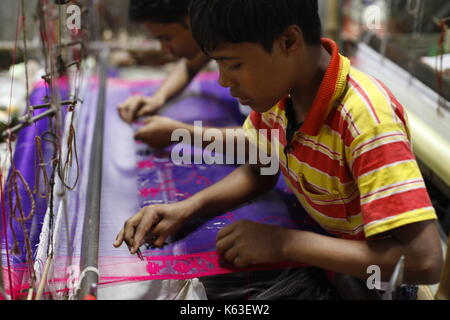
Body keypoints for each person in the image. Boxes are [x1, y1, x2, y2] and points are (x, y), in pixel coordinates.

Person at [115, 0, 443, 287]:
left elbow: (423, 262)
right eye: (218, 64)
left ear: (288, 41)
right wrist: (187, 208)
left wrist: (285, 244)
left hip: (369, 280)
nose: (224, 81)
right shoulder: (280, 97)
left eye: (234, 64)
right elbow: (262, 166)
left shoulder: (365, 120)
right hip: (327, 251)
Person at [119, 0, 245, 150]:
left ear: (192, 18)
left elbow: (268, 141)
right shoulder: (216, 33)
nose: (166, 50)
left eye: (167, 38)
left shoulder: (248, 41)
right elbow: (189, 66)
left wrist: (180, 133)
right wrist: (157, 99)